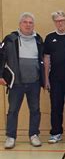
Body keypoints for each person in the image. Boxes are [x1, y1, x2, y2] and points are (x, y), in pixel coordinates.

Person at [0, 12, 45, 149]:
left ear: (33, 25)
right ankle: (11, 137)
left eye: (30, 22)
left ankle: (34, 135)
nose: (28, 25)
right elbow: (1, 57)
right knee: (13, 110)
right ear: (20, 24)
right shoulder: (10, 38)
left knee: (35, 109)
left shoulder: (38, 39)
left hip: (34, 82)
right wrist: (0, 75)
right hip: (16, 82)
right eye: (25, 22)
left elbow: (42, 59)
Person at [43, 11, 65, 144]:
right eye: (57, 21)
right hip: (55, 79)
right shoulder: (50, 37)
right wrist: (46, 79)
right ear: (54, 22)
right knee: (56, 107)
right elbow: (46, 59)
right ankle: (56, 132)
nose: (60, 23)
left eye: (62, 20)